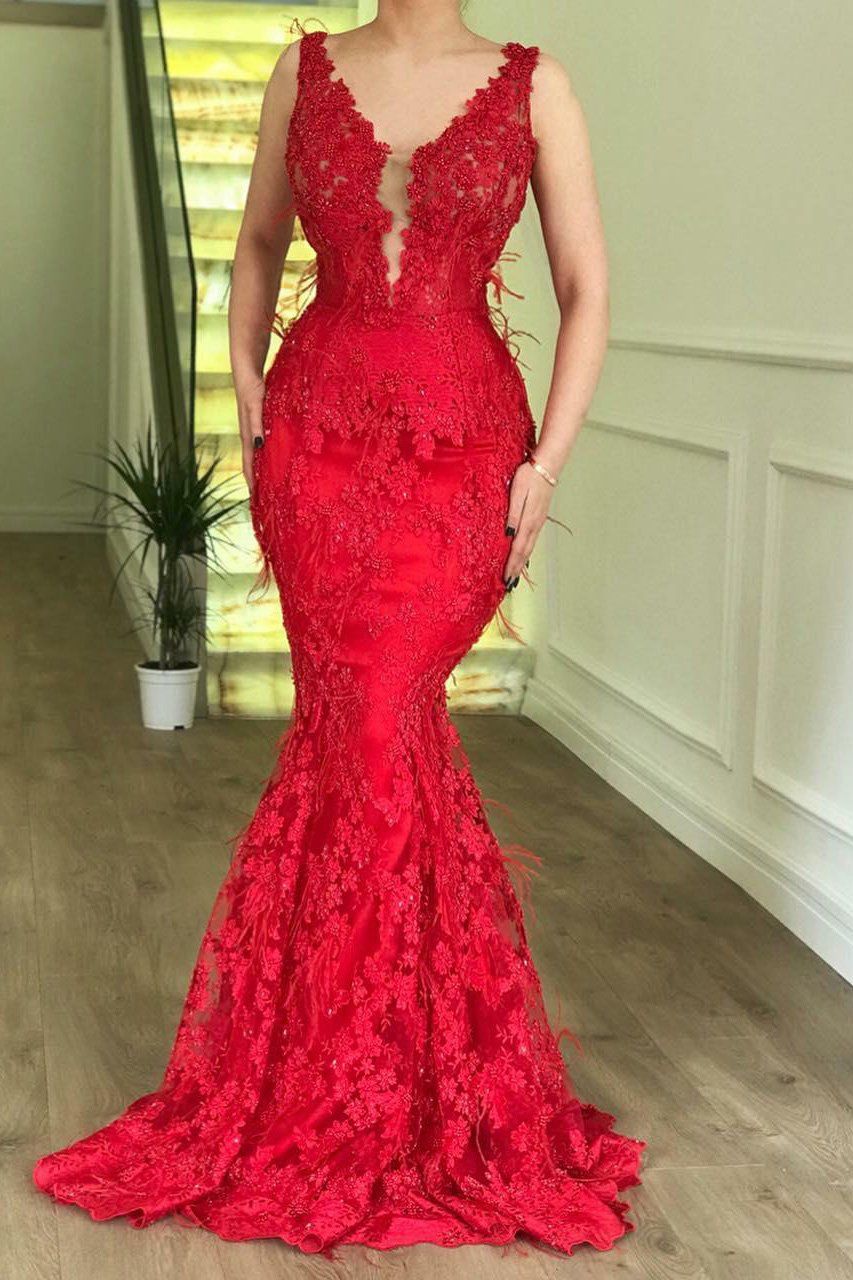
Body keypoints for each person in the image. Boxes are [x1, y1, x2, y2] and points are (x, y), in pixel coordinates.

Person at [33, 0, 646, 1257]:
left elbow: (588, 290)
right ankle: (355, 1076)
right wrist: (251, 391)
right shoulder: (303, 72)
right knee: (352, 736)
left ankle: (385, 1083)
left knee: (378, 723)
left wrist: (544, 466)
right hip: (316, 450)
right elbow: (258, 243)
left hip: (463, 460)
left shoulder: (534, 86)